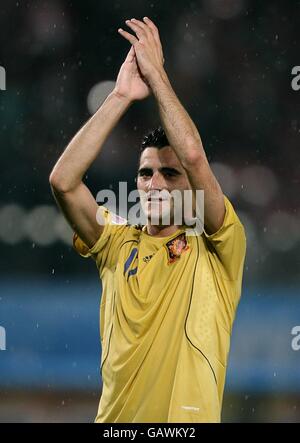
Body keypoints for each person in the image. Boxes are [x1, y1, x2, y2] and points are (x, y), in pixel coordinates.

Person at [49, 17, 246, 423]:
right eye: (145, 173)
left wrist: (157, 76)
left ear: (191, 186)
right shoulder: (116, 242)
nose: (154, 183)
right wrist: (121, 95)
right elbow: (63, 182)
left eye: (168, 174)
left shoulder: (218, 247)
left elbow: (193, 156)